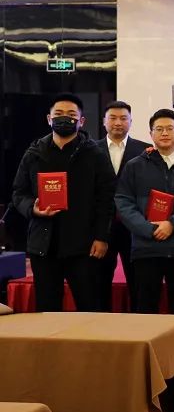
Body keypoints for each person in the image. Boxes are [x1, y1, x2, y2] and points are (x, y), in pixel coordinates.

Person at [11, 93, 114, 312]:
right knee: (47, 309)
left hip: (84, 245)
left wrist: (101, 237)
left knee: (90, 307)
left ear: (81, 121)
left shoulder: (95, 154)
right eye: (58, 114)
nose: (64, 118)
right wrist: (32, 208)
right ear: (49, 119)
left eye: (71, 114)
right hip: (44, 245)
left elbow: (106, 199)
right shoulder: (34, 153)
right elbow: (19, 193)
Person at [115, 108, 174, 314]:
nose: (165, 133)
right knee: (145, 308)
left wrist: (173, 224)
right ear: (151, 134)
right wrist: (147, 229)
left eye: (170, 128)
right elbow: (123, 201)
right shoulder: (135, 165)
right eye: (159, 129)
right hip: (146, 248)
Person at [95, 100, 151, 312]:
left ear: (131, 121)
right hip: (102, 228)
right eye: (113, 118)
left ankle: (137, 325)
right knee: (99, 282)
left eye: (123, 118)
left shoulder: (145, 150)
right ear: (104, 121)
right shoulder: (91, 149)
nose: (118, 123)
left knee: (138, 282)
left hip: (134, 228)